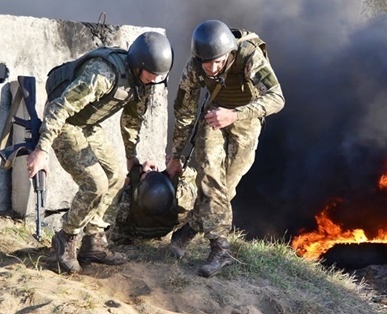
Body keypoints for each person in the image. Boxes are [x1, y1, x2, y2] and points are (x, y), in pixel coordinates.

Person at [26, 31, 173, 274]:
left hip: (88, 125)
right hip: (66, 123)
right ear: (139, 65)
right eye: (153, 74)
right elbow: (59, 107)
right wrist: (42, 149)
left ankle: (94, 241)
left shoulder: (143, 81)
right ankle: (67, 237)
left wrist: (131, 156)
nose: (155, 79)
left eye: (159, 76)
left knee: (116, 176)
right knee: (95, 183)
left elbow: (132, 120)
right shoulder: (102, 75)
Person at [166, 20, 285, 278]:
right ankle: (220, 249)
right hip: (213, 115)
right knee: (210, 176)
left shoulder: (249, 55)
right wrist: (175, 156)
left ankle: (188, 231)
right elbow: (184, 111)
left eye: (218, 62)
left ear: (230, 53)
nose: (212, 68)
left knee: (226, 187)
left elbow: (277, 98)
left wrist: (235, 114)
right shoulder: (195, 66)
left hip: (245, 119)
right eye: (206, 62)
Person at [113, 162, 197, 240]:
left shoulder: (125, 204)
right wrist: (180, 167)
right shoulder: (183, 200)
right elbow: (195, 180)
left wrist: (133, 174)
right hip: (165, 232)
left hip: (137, 232)